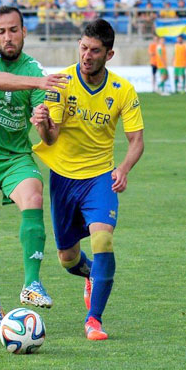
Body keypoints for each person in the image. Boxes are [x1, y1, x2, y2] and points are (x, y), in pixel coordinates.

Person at [30, 18, 144, 341]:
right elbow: (50, 138)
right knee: (67, 259)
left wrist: (122, 169)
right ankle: (91, 274)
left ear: (109, 54)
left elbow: (136, 140)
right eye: (83, 48)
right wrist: (41, 124)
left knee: (104, 240)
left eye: (95, 50)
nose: (86, 55)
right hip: (64, 178)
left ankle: (94, 319)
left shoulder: (123, 91)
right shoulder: (62, 82)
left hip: (99, 177)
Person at [0, 5, 68, 330]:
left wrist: (44, 121)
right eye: (1, 31)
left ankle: (31, 284)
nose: (7, 36)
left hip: (14, 157)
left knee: (34, 194)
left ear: (23, 32)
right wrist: (38, 83)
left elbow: (48, 139)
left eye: (13, 30)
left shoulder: (33, 67)